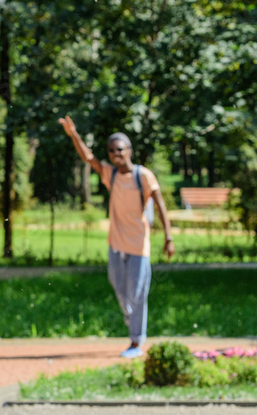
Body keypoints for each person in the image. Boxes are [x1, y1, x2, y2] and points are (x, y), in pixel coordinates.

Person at [59, 116, 175, 358]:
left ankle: (136, 341)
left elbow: (160, 204)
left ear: (129, 151)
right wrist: (74, 135)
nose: (115, 154)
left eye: (119, 149)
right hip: (116, 243)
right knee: (120, 290)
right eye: (111, 150)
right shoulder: (110, 174)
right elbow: (88, 158)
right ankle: (132, 321)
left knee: (137, 292)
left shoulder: (142, 176)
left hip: (138, 244)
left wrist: (168, 237)